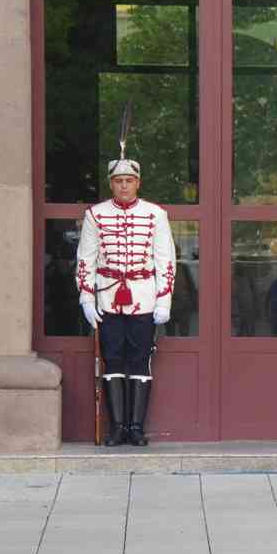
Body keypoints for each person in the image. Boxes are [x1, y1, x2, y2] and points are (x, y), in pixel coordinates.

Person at [76, 157, 175, 447]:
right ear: (111, 184)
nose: (124, 186)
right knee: (113, 359)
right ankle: (117, 428)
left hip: (143, 297)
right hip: (108, 298)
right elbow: (85, 259)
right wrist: (86, 297)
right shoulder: (95, 215)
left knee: (141, 360)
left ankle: (136, 428)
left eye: (129, 181)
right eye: (118, 181)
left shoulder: (156, 214)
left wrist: (164, 300)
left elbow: (166, 260)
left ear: (137, 183)